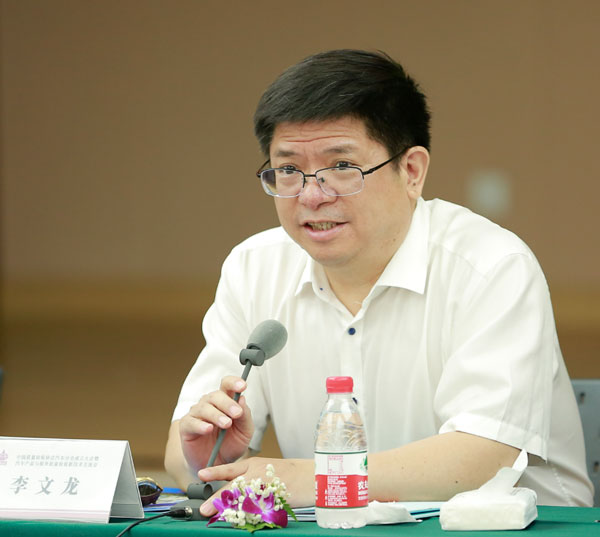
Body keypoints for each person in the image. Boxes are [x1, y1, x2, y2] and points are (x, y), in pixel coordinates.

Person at [164, 49, 594, 513]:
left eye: (341, 168)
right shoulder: (254, 268)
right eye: (288, 170)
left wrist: (310, 480)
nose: (311, 195)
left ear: (411, 171)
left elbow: (481, 459)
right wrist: (207, 458)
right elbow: (181, 449)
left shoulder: (492, 266)